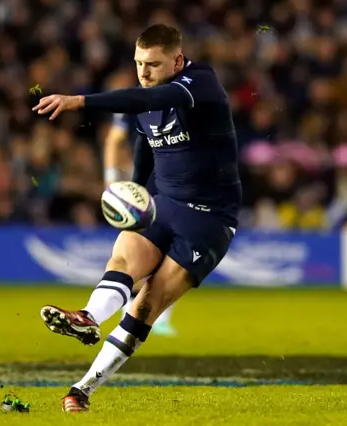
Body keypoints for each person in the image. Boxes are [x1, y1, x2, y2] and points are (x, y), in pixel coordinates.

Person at [33, 24, 241, 412]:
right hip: (162, 205)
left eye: (153, 64)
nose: (144, 73)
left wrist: (80, 100)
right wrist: (130, 197)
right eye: (138, 63)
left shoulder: (200, 83)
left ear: (177, 60)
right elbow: (145, 156)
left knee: (147, 303)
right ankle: (88, 317)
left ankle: (82, 389)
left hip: (208, 221)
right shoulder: (148, 100)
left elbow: (138, 99)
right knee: (123, 260)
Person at [104, 112, 177, 337]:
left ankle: (148, 316)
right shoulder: (138, 102)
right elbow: (114, 140)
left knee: (165, 254)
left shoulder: (176, 97)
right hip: (143, 186)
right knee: (144, 252)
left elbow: (114, 139)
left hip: (166, 183)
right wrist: (111, 179)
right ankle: (133, 313)